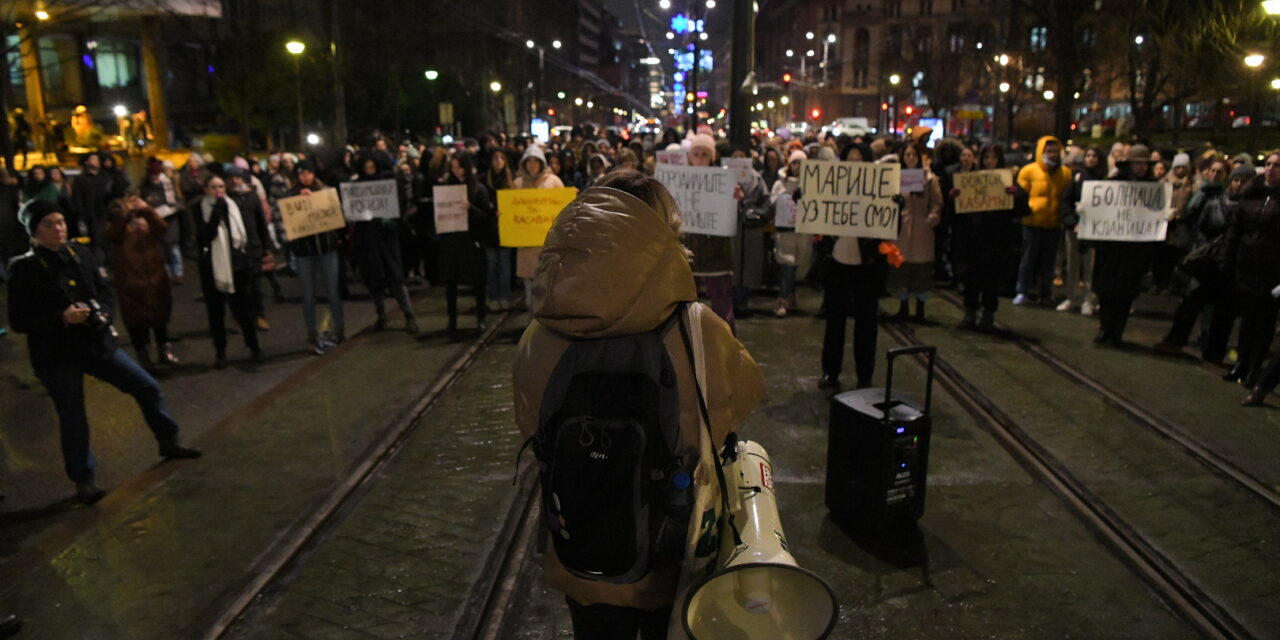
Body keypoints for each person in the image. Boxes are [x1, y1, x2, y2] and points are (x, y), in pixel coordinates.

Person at [513, 170, 762, 640]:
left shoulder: (538, 334)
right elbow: (742, 398)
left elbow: (529, 420)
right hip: (670, 551)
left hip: (580, 543)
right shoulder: (698, 328)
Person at [8, 199, 200, 505]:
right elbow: (18, 321)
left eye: (60, 222)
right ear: (34, 232)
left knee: (147, 387)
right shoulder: (24, 268)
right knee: (73, 417)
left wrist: (104, 315)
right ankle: (84, 479)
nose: (58, 229)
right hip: (56, 355)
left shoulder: (79, 253)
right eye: (49, 224)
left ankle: (169, 440)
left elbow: (104, 290)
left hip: (95, 343)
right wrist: (61, 318)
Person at [1155, 159, 1238, 361]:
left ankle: (1209, 344)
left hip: (1222, 261)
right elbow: (1191, 218)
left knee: (1215, 307)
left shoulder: (1235, 202)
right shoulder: (1204, 196)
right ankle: (1178, 340)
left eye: (1220, 172)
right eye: (1213, 171)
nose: (1215, 175)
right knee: (1191, 301)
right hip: (1204, 258)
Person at [1221, 150, 1280, 390]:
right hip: (1247, 264)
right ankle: (1241, 363)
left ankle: (1255, 368)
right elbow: (1235, 229)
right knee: (1247, 319)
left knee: (1265, 321)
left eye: (1277, 165)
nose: (1271, 169)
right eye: (1268, 164)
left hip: (1272, 268)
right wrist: (1228, 258)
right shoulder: (1251, 194)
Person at [1091, 145, 1160, 347]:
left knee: (1125, 293)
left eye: (1144, 164)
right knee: (1106, 291)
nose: (1140, 168)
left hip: (1134, 250)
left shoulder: (1153, 188)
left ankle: (1117, 331)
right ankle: (1105, 328)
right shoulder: (1112, 185)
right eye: (1137, 163)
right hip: (1111, 248)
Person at [950, 144, 1024, 331]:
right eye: (986, 158)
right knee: (971, 278)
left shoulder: (1008, 180)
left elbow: (1023, 209)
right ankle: (970, 313)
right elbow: (956, 213)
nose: (989, 161)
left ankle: (988, 315)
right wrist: (955, 198)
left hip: (996, 240)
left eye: (993, 158)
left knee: (991, 280)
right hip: (973, 240)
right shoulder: (971, 179)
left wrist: (1015, 195)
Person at [105, 194, 179, 371]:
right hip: (131, 278)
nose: (133, 204)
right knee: (137, 320)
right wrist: (124, 215)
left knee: (160, 315)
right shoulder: (116, 222)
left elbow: (162, 229)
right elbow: (113, 236)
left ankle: (164, 351)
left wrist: (147, 210)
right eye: (128, 202)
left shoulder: (145, 218)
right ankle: (143, 355)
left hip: (154, 274)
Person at [197, 174, 262, 368]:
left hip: (237, 266)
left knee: (244, 309)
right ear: (206, 190)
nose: (218, 190)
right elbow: (205, 235)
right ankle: (221, 351)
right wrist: (217, 211)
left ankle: (253, 346)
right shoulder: (200, 208)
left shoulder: (233, 206)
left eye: (221, 186)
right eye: (213, 187)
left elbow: (243, 234)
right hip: (214, 269)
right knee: (216, 313)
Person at [351, 155, 418, 333]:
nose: (370, 171)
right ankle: (381, 315)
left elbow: (399, 204)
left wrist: (392, 219)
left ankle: (409, 315)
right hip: (368, 236)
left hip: (386, 236)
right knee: (374, 277)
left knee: (396, 276)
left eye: (373, 167)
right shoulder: (357, 185)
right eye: (367, 168)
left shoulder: (389, 183)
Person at [684, 133, 741, 332]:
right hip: (690, 252)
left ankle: (726, 350)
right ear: (690, 157)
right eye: (696, 154)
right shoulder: (681, 181)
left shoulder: (724, 182)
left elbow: (733, 218)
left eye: (704, 154)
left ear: (712, 157)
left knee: (722, 309)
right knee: (687, 307)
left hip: (717, 254)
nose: (700, 159)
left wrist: (735, 201)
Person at [288, 161, 346, 353]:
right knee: (307, 294)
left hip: (327, 249)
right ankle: (311, 332)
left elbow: (337, 216)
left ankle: (339, 329)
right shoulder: (290, 196)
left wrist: (318, 200)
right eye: (301, 174)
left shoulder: (325, 191)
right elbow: (287, 222)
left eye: (308, 173)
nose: (305, 177)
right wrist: (299, 200)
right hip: (304, 252)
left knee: (333, 291)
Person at [1014, 136, 1072, 306]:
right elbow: (1021, 195)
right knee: (1028, 260)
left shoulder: (1065, 173)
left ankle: (1045, 294)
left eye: (1055, 151)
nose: (1052, 155)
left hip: (1053, 224)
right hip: (1031, 223)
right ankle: (1022, 290)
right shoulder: (1028, 171)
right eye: (1048, 151)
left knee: (1049, 263)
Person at [889, 141, 943, 323]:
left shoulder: (929, 179)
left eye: (913, 155)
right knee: (902, 269)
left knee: (921, 269)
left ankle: (920, 308)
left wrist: (931, 219)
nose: (910, 158)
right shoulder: (895, 178)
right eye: (907, 155)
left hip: (921, 228)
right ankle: (903, 306)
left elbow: (937, 203)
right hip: (902, 229)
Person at [438, 153, 492, 332]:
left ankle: (481, 319)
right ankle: (451, 321)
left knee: (478, 282)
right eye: (453, 167)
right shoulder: (446, 187)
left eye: (459, 167)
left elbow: (487, 216)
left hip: (472, 241)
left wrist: (471, 208)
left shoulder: (478, 189)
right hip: (453, 242)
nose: (456, 171)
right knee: (451, 282)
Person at [512, 144, 565, 309]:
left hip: (547, 246)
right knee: (530, 298)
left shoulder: (554, 182)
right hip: (527, 247)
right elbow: (512, 210)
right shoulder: (518, 184)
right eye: (529, 162)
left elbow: (563, 210)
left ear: (542, 162)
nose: (532, 165)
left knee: (548, 293)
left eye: (535, 161)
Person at [226, 168, 279, 332]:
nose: (235, 181)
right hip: (234, 250)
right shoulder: (226, 200)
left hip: (253, 247)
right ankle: (239, 318)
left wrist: (267, 246)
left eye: (238, 178)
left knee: (256, 286)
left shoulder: (252, 197)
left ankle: (259, 316)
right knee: (236, 288)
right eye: (232, 178)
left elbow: (261, 224)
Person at [1056, 146, 1107, 315]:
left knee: (1090, 266)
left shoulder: (1104, 180)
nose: (1091, 159)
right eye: (1088, 156)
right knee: (1072, 264)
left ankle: (1088, 300)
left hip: (1095, 231)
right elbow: (1065, 202)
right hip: (1075, 229)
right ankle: (1071, 297)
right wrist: (1071, 222)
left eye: (1094, 156)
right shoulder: (1077, 178)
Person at [768, 150, 811, 317]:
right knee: (787, 265)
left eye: (801, 163)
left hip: (802, 231)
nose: (797, 166)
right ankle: (781, 298)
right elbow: (772, 203)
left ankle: (791, 297)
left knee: (795, 266)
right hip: (785, 232)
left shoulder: (811, 183)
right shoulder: (780, 184)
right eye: (794, 162)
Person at [483, 148, 516, 310]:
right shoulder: (484, 181)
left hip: (507, 229)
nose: (499, 161)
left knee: (504, 266)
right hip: (490, 230)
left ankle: (504, 296)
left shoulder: (511, 182)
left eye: (502, 158)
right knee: (491, 265)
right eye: (495, 158)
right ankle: (493, 297)